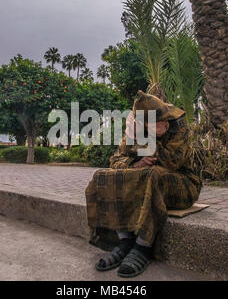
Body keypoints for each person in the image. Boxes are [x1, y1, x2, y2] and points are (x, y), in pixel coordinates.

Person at [85, 90, 202, 278]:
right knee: (104, 175)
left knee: (152, 174)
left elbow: (172, 163)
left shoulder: (179, 127)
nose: (162, 123)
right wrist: (135, 163)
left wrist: (152, 140)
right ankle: (124, 242)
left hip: (184, 186)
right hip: (145, 182)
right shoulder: (135, 130)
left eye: (162, 120)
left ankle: (143, 247)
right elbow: (115, 160)